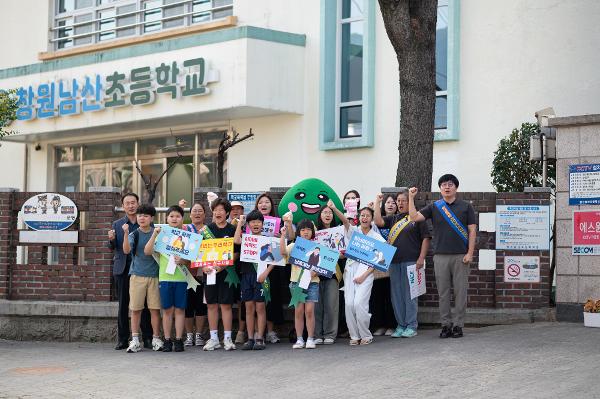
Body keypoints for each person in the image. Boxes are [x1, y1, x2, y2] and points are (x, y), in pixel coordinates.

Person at [408, 174, 477, 339]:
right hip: (440, 256)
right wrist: (411, 198)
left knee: (460, 293)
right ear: (440, 188)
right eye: (444, 185)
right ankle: (446, 325)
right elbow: (414, 217)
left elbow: (472, 231)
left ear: (456, 187)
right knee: (443, 293)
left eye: (450, 184)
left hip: (461, 256)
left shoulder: (466, 206)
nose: (447, 187)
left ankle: (458, 326)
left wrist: (470, 253)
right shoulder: (435, 207)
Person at [374, 190, 431, 339]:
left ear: (409, 202)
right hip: (394, 262)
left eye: (403, 200)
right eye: (398, 201)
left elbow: (426, 239)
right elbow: (378, 222)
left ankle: (411, 325)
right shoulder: (393, 219)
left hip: (411, 261)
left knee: (410, 295)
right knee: (397, 295)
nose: (399, 203)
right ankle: (401, 325)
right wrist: (377, 203)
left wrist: (421, 258)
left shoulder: (417, 218)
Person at [108, 193, 152, 350]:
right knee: (123, 305)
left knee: (145, 305)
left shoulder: (144, 223)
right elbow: (112, 248)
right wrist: (111, 240)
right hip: (122, 269)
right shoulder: (117, 224)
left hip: (141, 269)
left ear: (138, 203)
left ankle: (147, 338)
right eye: (127, 203)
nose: (131, 206)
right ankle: (122, 339)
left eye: (133, 202)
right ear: (123, 206)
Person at [145, 205, 190, 352]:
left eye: (177, 216)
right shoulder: (162, 235)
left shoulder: (187, 237)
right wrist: (154, 234)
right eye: (171, 216)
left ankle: (178, 340)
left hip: (181, 278)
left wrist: (183, 261)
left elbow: (192, 259)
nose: (174, 218)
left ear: (182, 218)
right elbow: (148, 251)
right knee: (167, 310)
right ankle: (167, 339)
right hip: (165, 278)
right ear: (166, 218)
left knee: (180, 310)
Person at [121, 203, 163, 353]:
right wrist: (125, 233)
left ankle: (156, 338)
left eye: (145, 215)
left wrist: (155, 234)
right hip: (137, 276)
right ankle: (135, 339)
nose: (142, 218)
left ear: (152, 218)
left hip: (155, 276)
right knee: (135, 309)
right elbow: (126, 250)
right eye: (139, 215)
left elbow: (150, 251)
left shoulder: (158, 233)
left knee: (154, 309)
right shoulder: (134, 234)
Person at [234, 211, 275, 350]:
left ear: (263, 224)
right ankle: (250, 338)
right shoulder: (246, 238)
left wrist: (266, 273)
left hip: (261, 276)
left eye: (258, 221)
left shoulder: (267, 239)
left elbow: (275, 260)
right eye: (252, 222)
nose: (255, 224)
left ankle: (259, 338)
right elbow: (236, 241)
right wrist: (240, 222)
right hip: (246, 276)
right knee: (249, 308)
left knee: (260, 308)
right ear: (248, 224)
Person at [342, 206, 384, 346]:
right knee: (349, 304)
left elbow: (381, 258)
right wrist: (334, 208)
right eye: (362, 215)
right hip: (350, 270)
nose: (364, 218)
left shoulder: (376, 237)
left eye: (367, 215)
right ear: (358, 218)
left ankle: (366, 334)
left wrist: (364, 275)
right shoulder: (354, 232)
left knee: (359, 303)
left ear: (371, 218)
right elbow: (345, 222)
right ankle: (354, 335)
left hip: (366, 273)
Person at [203, 198, 238, 351]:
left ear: (227, 213)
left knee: (226, 305)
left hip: (227, 273)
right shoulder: (206, 230)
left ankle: (228, 338)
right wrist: (204, 266)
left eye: (221, 210)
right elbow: (200, 252)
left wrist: (223, 266)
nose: (218, 213)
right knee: (211, 304)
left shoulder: (232, 229)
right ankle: (214, 338)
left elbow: (237, 253)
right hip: (209, 272)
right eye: (215, 210)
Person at [279, 218, 319, 349]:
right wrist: (282, 236)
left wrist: (315, 272)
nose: (306, 232)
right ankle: (300, 339)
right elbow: (283, 253)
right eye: (302, 230)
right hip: (296, 283)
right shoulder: (294, 245)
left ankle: (311, 338)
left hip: (312, 283)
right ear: (299, 232)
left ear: (312, 231)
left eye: (308, 229)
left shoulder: (317, 246)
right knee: (298, 311)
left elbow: (323, 265)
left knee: (309, 311)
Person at [253, 193, 283, 344]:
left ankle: (270, 331)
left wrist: (280, 237)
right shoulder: (250, 222)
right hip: (254, 266)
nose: (263, 205)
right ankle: (257, 332)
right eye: (260, 202)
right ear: (257, 206)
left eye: (267, 202)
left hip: (272, 266)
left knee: (271, 298)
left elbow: (287, 240)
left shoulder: (278, 223)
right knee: (255, 300)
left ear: (272, 206)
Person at [313, 203, 343, 345]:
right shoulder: (314, 232)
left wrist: (340, 254)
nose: (327, 214)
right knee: (316, 306)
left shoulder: (338, 232)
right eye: (324, 212)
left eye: (330, 212)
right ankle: (317, 334)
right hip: (315, 273)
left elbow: (343, 254)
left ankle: (330, 334)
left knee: (331, 305)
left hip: (332, 273)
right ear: (320, 215)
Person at [181, 201, 208, 348]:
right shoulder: (185, 229)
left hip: (203, 273)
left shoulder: (208, 230)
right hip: (187, 273)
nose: (197, 213)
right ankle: (189, 335)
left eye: (200, 211)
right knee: (188, 306)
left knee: (201, 305)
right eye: (194, 211)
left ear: (205, 214)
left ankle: (199, 334)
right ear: (190, 214)